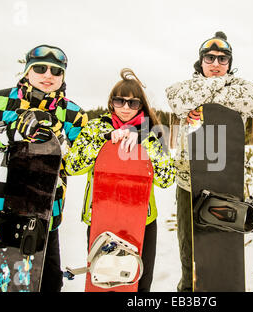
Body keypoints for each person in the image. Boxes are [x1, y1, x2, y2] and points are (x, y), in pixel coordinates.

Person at [0, 44, 88, 292]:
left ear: (63, 77)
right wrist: (3, 135)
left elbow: (77, 165)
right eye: (40, 68)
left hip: (43, 217)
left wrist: (59, 141)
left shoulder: (72, 114)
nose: (48, 75)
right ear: (27, 71)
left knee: (45, 285)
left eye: (56, 71)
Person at [165, 31, 253, 291]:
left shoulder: (244, 87)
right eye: (210, 58)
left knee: (224, 249)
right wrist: (221, 88)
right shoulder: (185, 87)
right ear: (201, 61)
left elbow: (252, 99)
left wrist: (202, 95)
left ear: (230, 63)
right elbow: (176, 98)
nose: (216, 64)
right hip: (189, 182)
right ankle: (189, 292)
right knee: (190, 249)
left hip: (227, 181)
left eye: (222, 59)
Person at [64, 68, 175, 292]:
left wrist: (145, 140)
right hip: (101, 219)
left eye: (133, 103)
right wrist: (103, 141)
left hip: (140, 222)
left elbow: (166, 178)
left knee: (138, 283)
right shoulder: (95, 128)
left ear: (141, 106)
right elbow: (72, 166)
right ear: (111, 102)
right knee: (103, 281)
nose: (126, 107)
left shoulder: (152, 132)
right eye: (120, 101)